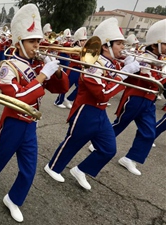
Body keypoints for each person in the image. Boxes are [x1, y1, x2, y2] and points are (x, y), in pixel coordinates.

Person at [0, 4, 69, 222]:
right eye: (32, 41)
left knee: (29, 169)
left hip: (30, 125)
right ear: (19, 42)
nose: (37, 45)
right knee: (0, 157)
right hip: (13, 122)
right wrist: (41, 77)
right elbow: (17, 99)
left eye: (38, 40)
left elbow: (61, 89)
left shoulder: (38, 66)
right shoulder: (8, 66)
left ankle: (14, 199)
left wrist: (57, 71)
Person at [43, 18, 140, 190]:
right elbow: (102, 94)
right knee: (73, 142)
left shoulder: (113, 64)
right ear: (106, 46)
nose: (123, 48)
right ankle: (52, 166)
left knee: (109, 149)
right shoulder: (92, 65)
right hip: (86, 110)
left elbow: (114, 85)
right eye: (119, 44)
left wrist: (134, 68)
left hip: (100, 113)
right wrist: (123, 74)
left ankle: (81, 170)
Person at [108, 19, 166, 175]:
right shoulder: (141, 58)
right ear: (155, 44)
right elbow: (150, 79)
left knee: (149, 132)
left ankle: (130, 159)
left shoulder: (160, 61)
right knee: (120, 123)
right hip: (135, 97)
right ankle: (99, 143)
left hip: (149, 101)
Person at [53, 27, 88, 109]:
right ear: (78, 41)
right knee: (66, 86)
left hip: (80, 70)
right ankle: (58, 101)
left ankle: (69, 99)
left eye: (85, 40)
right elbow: (75, 55)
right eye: (82, 41)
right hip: (72, 69)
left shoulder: (84, 48)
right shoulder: (74, 48)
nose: (84, 42)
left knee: (81, 86)